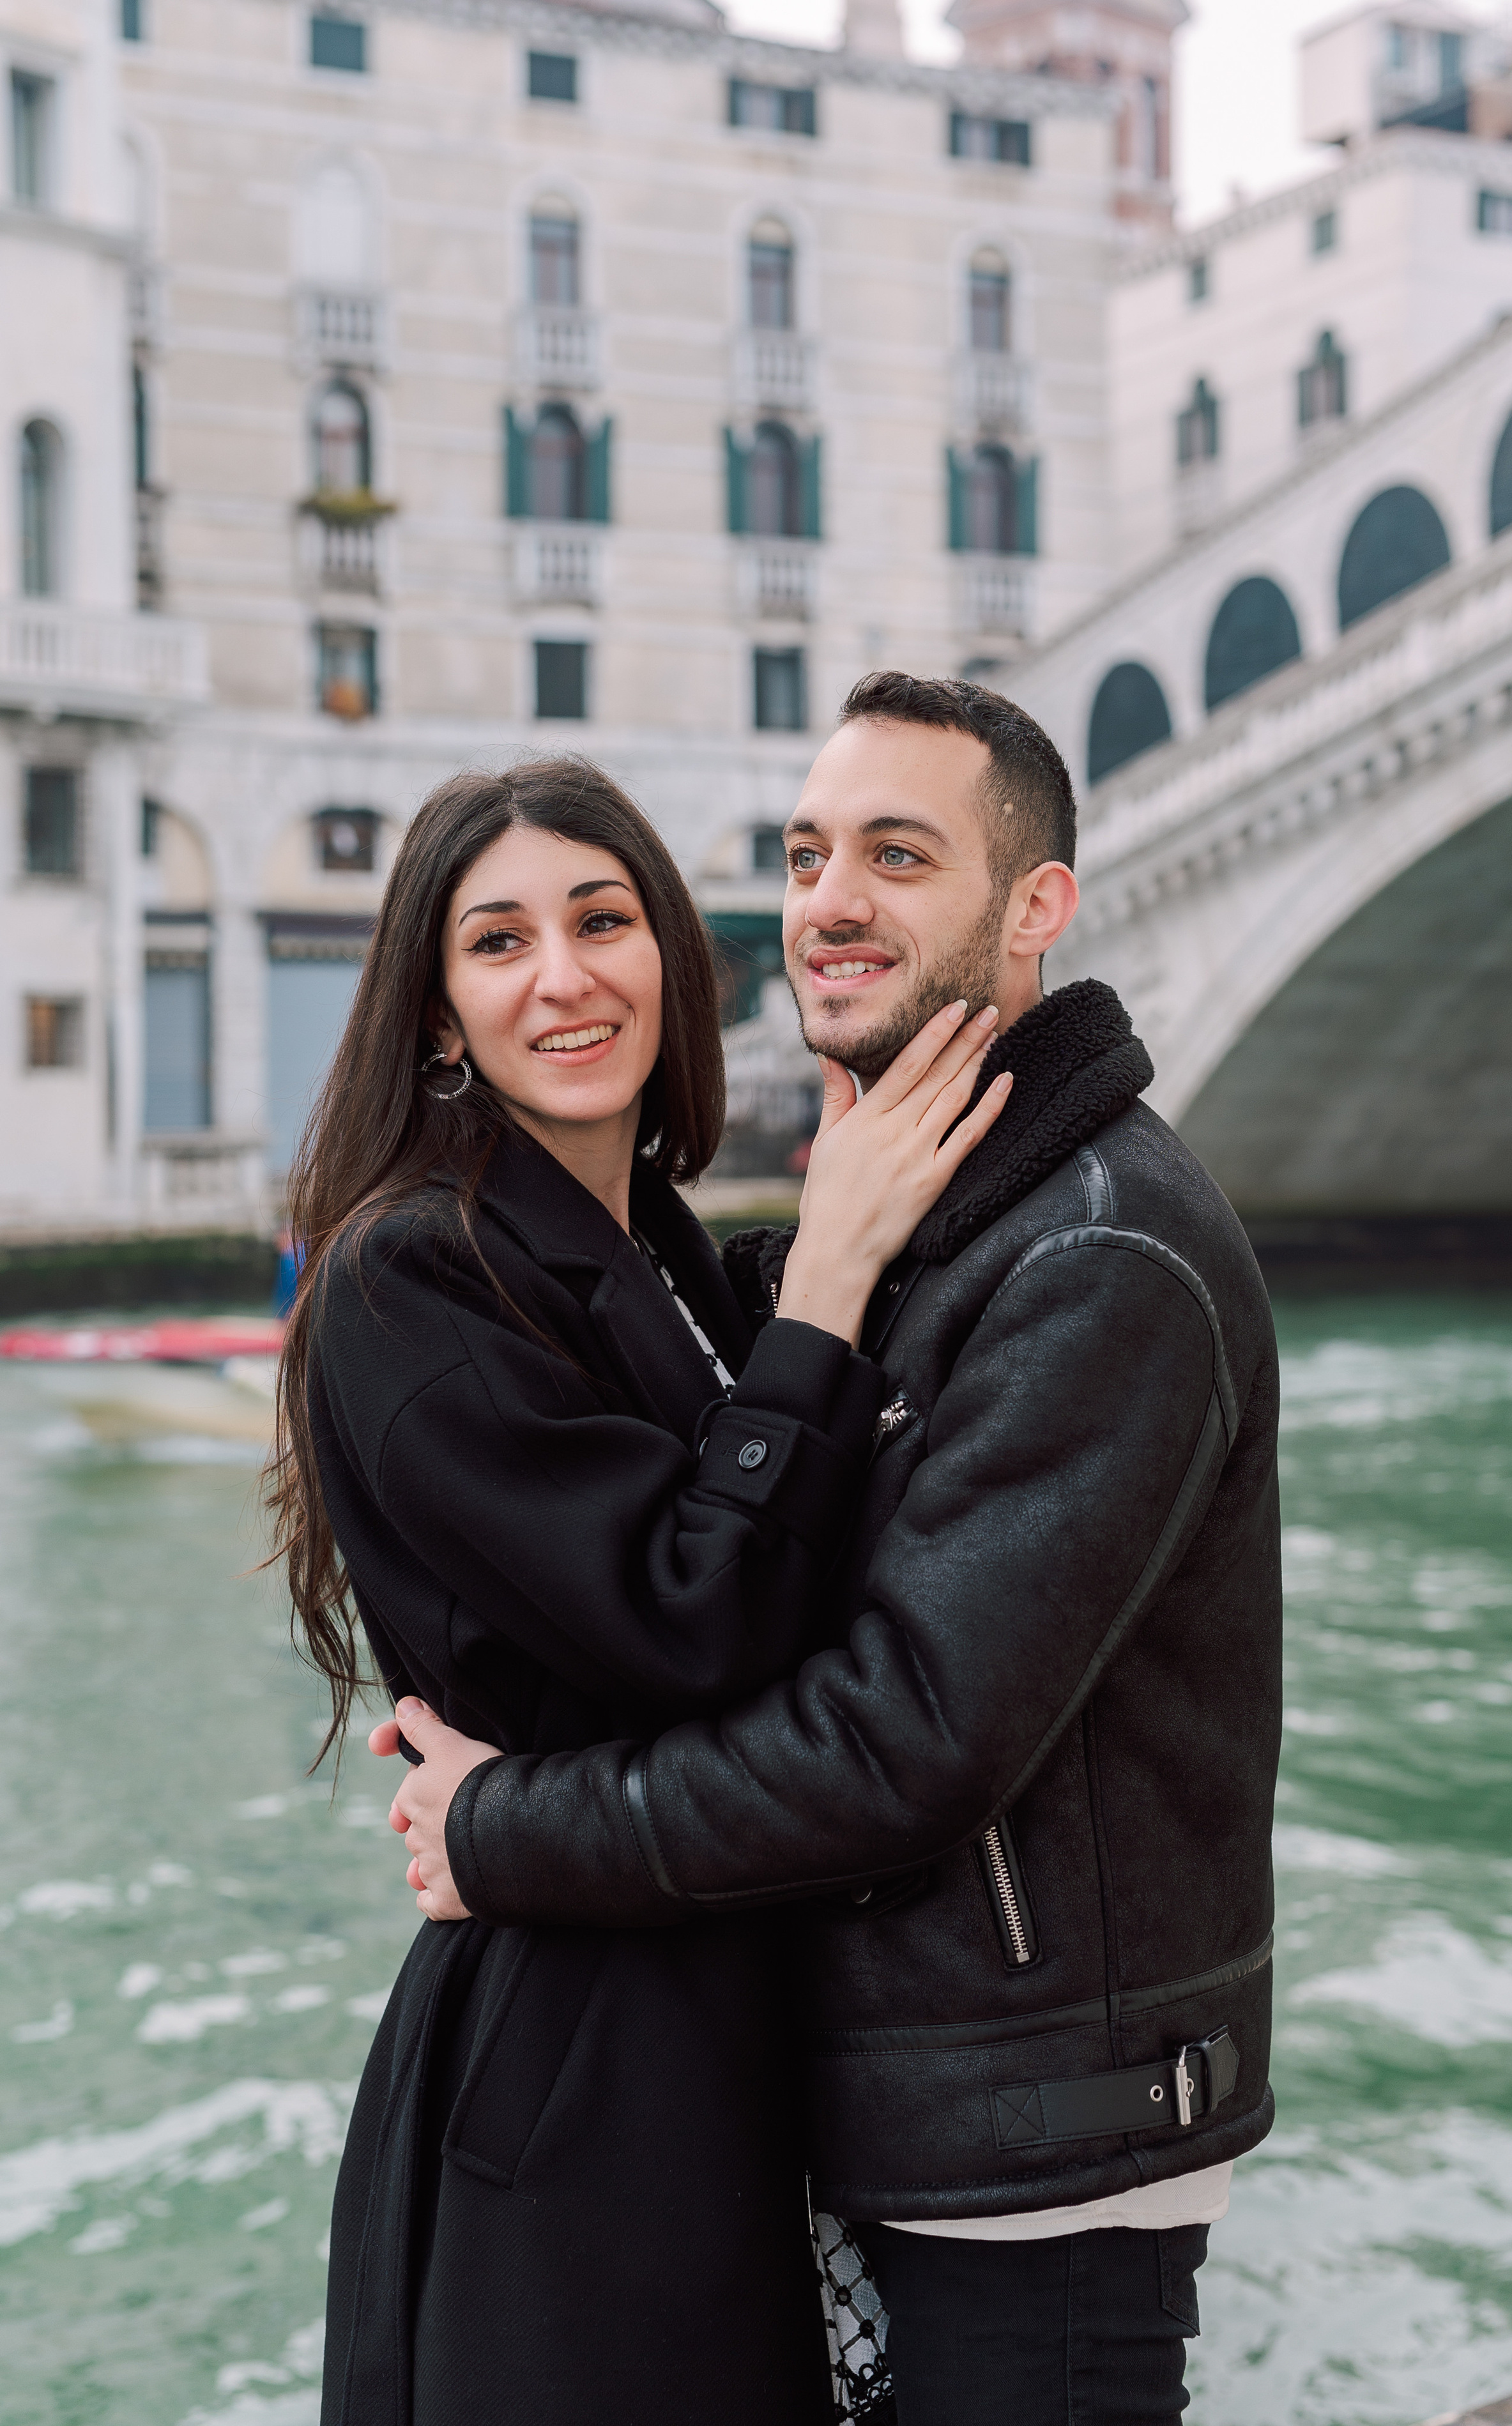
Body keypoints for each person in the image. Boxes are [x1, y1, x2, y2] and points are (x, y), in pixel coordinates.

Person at [385, 676, 1285, 2426]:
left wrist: (502, 1827)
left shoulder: (1099, 1258)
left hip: (1036, 2150)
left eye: (898, 855)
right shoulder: (946, 1224)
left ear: (1036, 906)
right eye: (807, 857)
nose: (831, 903)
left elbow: (903, 1739)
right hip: (927, 2107)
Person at [264, 754, 1014, 2426]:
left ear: (668, 953)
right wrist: (831, 1273)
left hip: (714, 1996)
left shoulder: (656, 1244)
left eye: (602, 921)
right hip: (586, 2067)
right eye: (500, 941)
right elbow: (694, 1623)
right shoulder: (409, 1272)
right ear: (437, 1015)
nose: (565, 977)